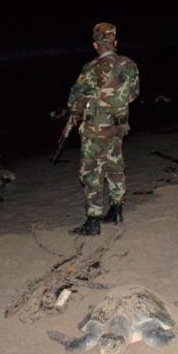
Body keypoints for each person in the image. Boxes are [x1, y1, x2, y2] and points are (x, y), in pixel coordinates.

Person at [67, 22, 140, 236]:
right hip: (117, 125)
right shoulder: (129, 64)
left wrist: (85, 105)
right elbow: (133, 94)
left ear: (95, 45)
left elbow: (74, 100)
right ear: (115, 42)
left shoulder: (91, 68)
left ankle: (93, 220)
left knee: (91, 171)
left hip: (95, 128)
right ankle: (116, 211)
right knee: (115, 165)